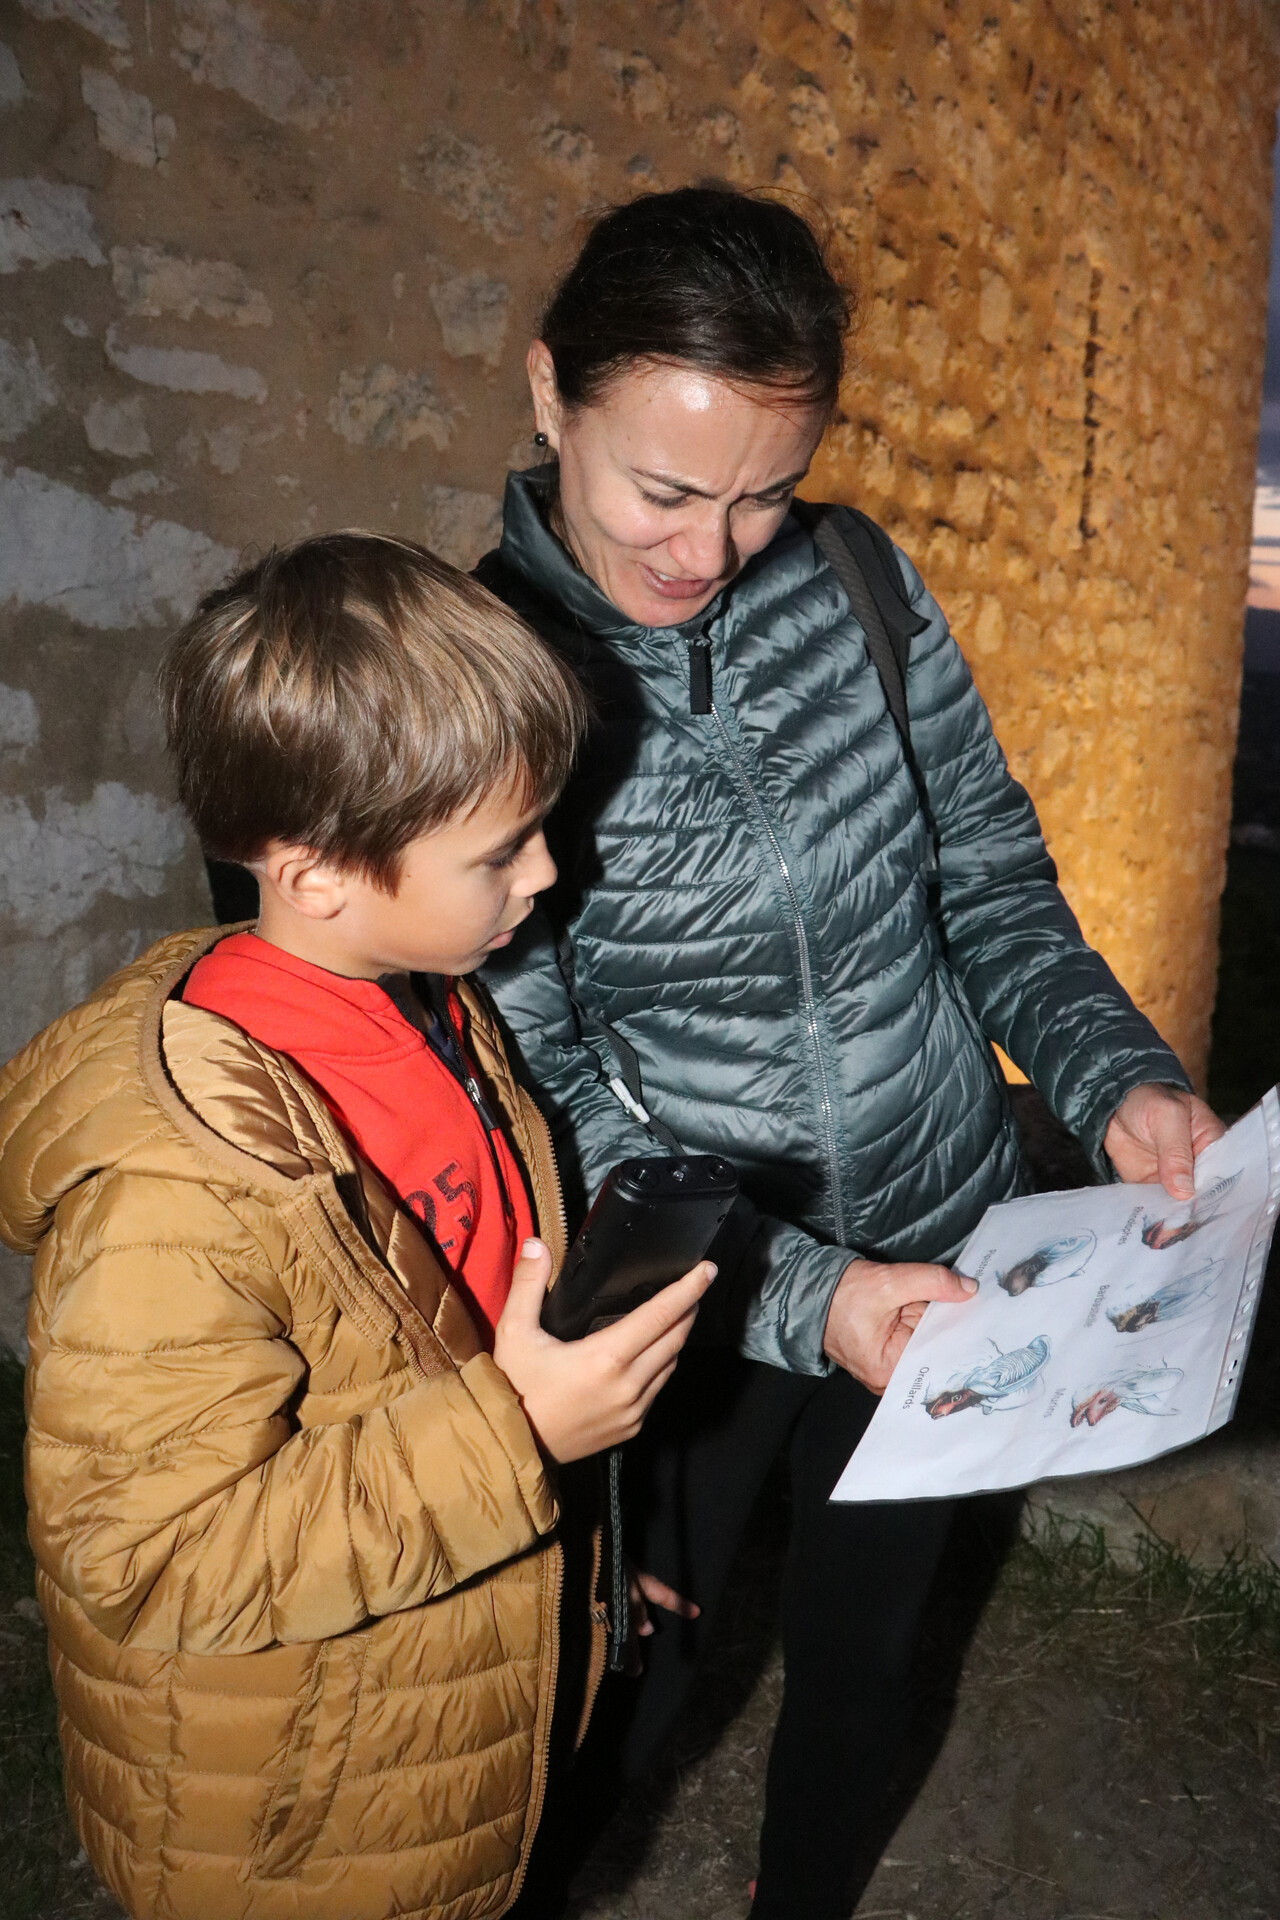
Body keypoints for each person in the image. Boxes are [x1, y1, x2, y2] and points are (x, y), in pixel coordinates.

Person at [476, 186, 1225, 1919]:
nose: (711, 549)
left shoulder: (862, 581)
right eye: (664, 490)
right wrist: (808, 1297)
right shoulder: (479, 679)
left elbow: (991, 883)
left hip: (951, 1241)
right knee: (622, 1685)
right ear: (550, 392)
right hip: (689, 1293)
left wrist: (1112, 1071)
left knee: (864, 1661)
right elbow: (537, 1086)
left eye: (763, 493)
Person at [0, 534, 715, 1920]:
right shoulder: (175, 1189)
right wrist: (520, 1438)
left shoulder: (434, 1007)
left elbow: (457, 1338)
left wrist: (577, 1551)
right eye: (500, 850)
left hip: (446, 1709)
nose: (546, 873)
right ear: (317, 870)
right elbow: (151, 1560)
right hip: (297, 1824)